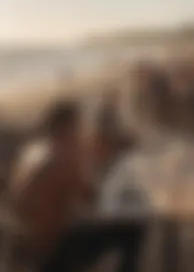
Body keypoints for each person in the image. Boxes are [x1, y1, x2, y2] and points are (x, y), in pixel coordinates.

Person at [9, 100, 145, 272]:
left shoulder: (31, 151)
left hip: (26, 246)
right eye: (78, 127)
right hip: (51, 252)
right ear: (68, 127)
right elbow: (93, 198)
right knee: (132, 230)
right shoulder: (63, 156)